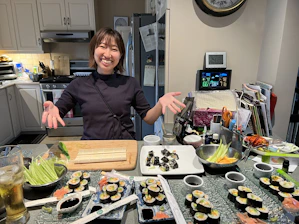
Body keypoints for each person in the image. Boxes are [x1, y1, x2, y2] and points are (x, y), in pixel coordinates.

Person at [42, 27, 185, 140]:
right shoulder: (78, 84)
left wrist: (160, 104)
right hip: (92, 149)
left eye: (114, 49)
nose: (108, 54)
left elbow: (148, 118)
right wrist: (52, 111)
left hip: (125, 148)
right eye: (103, 46)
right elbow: (57, 112)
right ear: (94, 50)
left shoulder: (130, 83)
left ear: (121, 55)